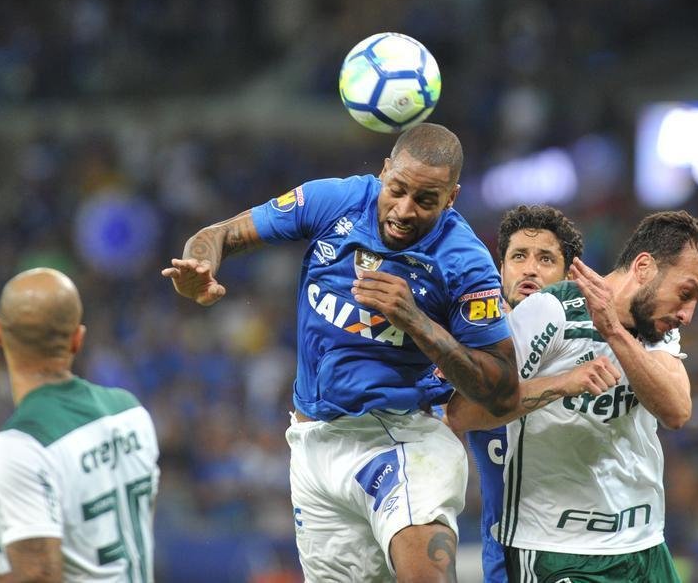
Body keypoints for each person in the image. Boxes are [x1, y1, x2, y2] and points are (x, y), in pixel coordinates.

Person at [163, 122, 519, 582]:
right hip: (313, 445)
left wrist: (418, 322)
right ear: (384, 171)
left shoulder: (465, 262)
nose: (404, 210)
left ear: (451, 198)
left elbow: (502, 390)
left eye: (425, 200)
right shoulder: (335, 201)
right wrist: (201, 265)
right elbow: (221, 233)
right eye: (397, 190)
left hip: (401, 438)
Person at [447, 210, 698, 583]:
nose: (688, 314)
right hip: (558, 548)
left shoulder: (655, 328)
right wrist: (562, 384)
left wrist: (613, 331)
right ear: (643, 268)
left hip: (644, 545)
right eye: (685, 293)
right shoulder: (550, 310)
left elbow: (677, 411)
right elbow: (463, 412)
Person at [0, 268, 160, 583]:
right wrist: (7, 538)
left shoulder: (19, 444)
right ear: (77, 339)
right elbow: (105, 531)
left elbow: (37, 576)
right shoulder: (130, 412)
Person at [463, 205, 591, 583]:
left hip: (580, 554)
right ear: (501, 269)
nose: (530, 269)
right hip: (503, 559)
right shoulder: (469, 349)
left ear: (570, 276)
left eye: (546, 259)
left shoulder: (592, 351)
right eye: (519, 256)